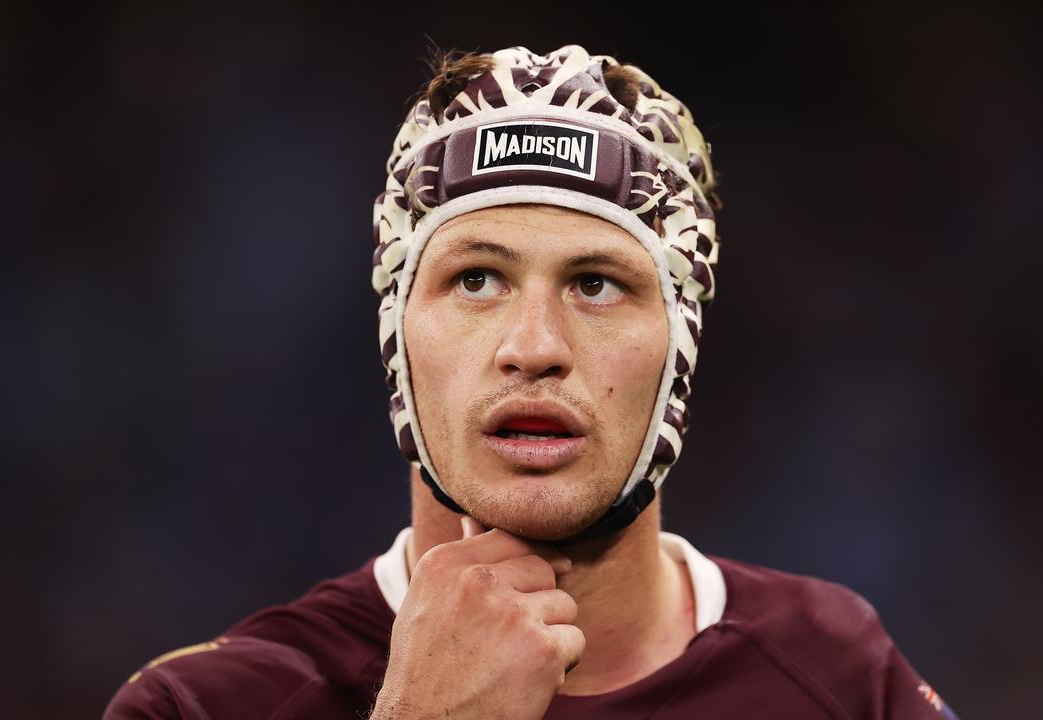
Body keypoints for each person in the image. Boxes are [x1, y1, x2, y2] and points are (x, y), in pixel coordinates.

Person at [103, 43, 960, 720]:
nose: (535, 346)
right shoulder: (203, 707)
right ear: (396, 329)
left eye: (597, 283)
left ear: (682, 344)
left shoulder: (839, 676)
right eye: (476, 279)